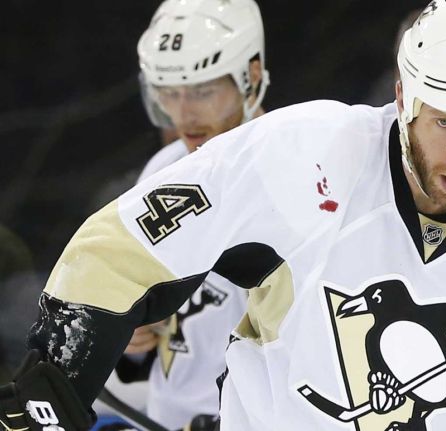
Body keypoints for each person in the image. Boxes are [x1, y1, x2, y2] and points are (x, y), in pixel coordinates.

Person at [0, 2, 446, 430]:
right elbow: (120, 253)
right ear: (404, 98)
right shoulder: (303, 156)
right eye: (443, 120)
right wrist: (53, 388)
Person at [110, 0, 270, 429]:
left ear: (250, 77)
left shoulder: (288, 176)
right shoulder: (163, 169)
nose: (184, 113)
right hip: (161, 417)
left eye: (202, 91)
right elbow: (137, 307)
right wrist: (131, 334)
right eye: (169, 93)